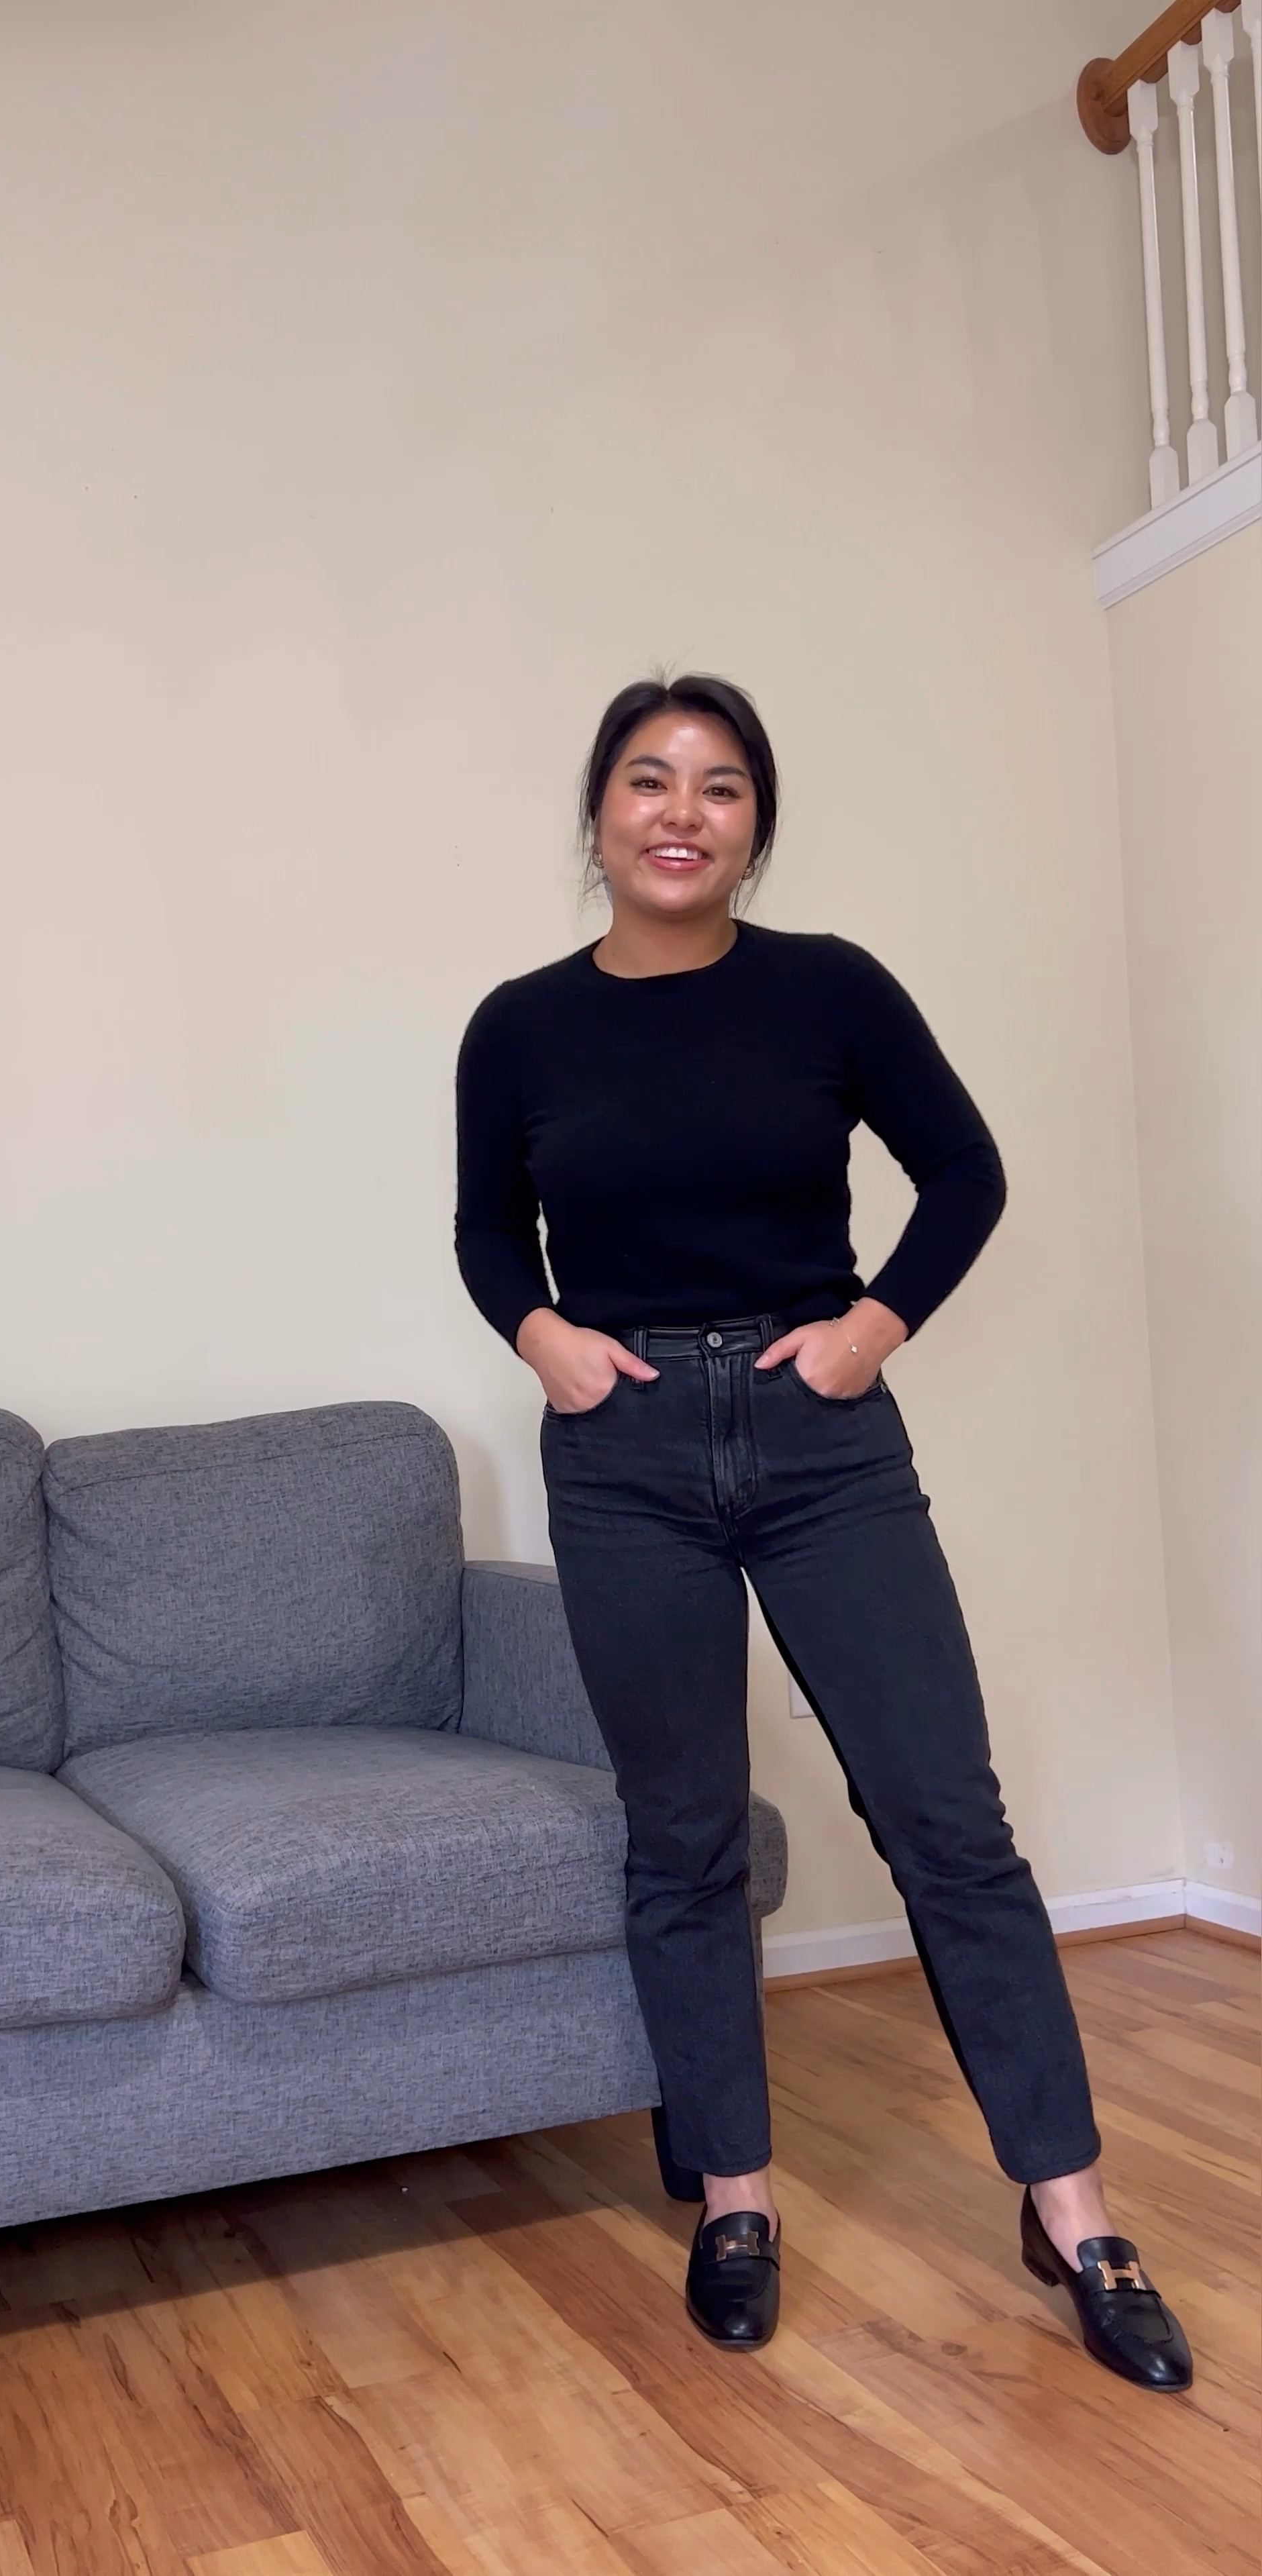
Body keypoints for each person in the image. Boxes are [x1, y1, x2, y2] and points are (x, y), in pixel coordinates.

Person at [454, 673, 1192, 2386]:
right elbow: (489, 1231)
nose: (682, 811)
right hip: (625, 1450)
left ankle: (1074, 2208)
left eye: (720, 785)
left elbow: (968, 1170)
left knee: (948, 1818)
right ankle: (734, 2195)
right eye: (649, 780)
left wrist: (873, 1326)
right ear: (599, 817)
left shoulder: (830, 987)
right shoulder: (520, 1025)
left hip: (821, 1439)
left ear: (754, 826)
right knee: (685, 1833)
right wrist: (545, 1336)